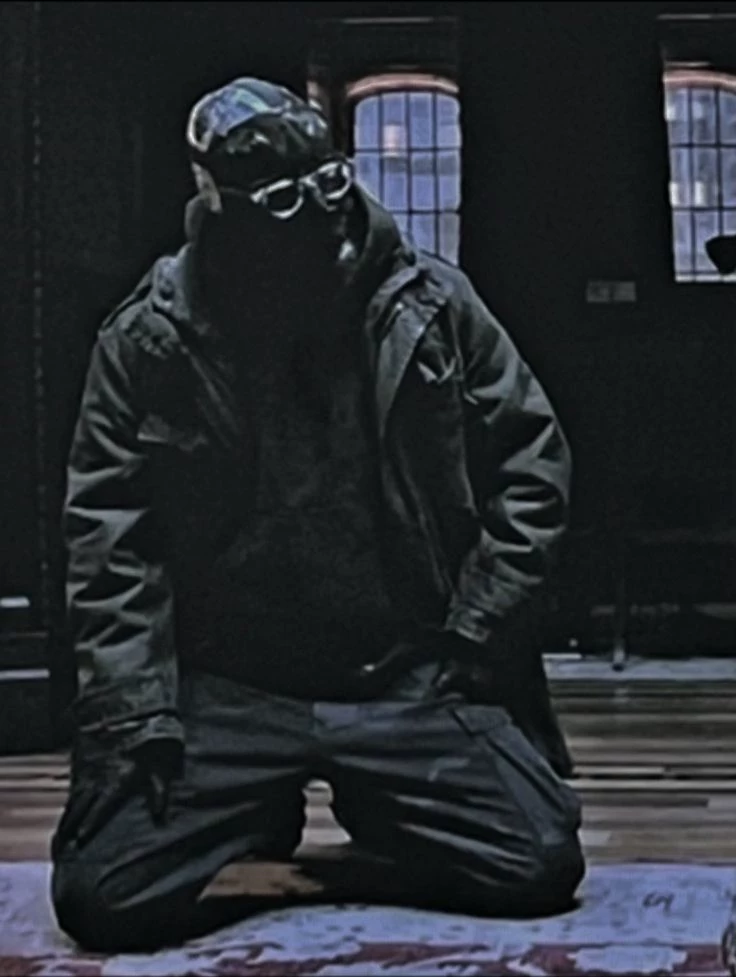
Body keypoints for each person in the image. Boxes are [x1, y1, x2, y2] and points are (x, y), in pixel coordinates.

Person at [51, 77, 584, 953]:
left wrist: (474, 630)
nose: (320, 223)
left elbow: (533, 467)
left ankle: (373, 803)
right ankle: (259, 805)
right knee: (102, 893)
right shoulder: (151, 340)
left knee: (537, 860)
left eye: (328, 185)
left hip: (402, 673)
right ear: (222, 210)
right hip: (230, 685)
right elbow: (111, 546)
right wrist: (138, 716)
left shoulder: (430, 305)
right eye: (281, 204)